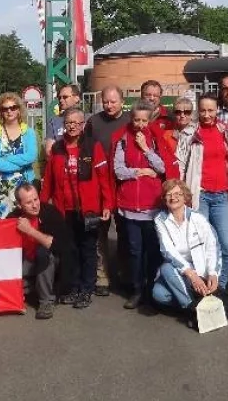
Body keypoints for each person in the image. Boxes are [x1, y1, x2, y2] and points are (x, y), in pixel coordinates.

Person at [40, 108, 114, 308]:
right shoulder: (57, 148)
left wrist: (107, 204)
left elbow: (104, 179)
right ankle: (72, 287)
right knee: (69, 251)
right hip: (65, 210)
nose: (72, 126)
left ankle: (86, 289)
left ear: (83, 126)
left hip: (88, 210)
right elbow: (48, 180)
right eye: (69, 122)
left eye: (77, 123)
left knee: (87, 250)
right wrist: (43, 204)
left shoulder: (93, 147)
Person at [112, 100, 179, 310]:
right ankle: (136, 289)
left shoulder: (155, 139)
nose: (140, 124)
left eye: (144, 120)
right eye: (136, 120)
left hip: (152, 206)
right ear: (131, 119)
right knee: (134, 250)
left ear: (149, 121)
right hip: (130, 206)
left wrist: (145, 148)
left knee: (153, 250)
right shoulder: (123, 138)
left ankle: (153, 288)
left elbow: (162, 167)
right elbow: (119, 170)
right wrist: (139, 172)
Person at [176, 93, 228, 288]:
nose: (207, 114)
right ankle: (201, 290)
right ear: (198, 111)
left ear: (217, 110)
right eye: (203, 110)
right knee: (200, 247)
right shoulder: (190, 133)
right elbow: (180, 164)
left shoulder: (225, 131)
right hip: (199, 196)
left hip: (221, 196)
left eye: (211, 110)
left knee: (227, 247)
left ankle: (220, 288)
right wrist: (182, 194)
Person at [84, 84, 130, 296]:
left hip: (124, 184)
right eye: (106, 101)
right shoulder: (94, 122)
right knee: (99, 231)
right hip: (100, 183)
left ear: (122, 101)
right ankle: (102, 275)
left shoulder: (130, 121)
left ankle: (123, 273)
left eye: (113, 101)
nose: (109, 105)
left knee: (125, 232)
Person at [153, 179, 220, 312]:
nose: (173, 198)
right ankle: (193, 308)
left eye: (178, 194)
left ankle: (192, 305)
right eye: (169, 194)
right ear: (164, 198)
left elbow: (213, 246)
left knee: (166, 269)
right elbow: (168, 251)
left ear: (185, 197)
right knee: (159, 294)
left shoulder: (198, 218)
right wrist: (191, 275)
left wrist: (213, 273)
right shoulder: (160, 220)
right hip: (178, 271)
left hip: (200, 271)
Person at [12, 183, 76, 320]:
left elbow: (59, 246)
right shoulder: (13, 217)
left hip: (52, 262)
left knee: (43, 252)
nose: (35, 205)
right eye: (29, 202)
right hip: (26, 262)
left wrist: (30, 231)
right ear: (19, 205)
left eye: (36, 199)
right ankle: (28, 289)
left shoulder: (51, 212)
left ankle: (46, 302)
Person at [0, 92, 38, 219]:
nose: (9, 111)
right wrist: (19, 164)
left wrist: (6, 158)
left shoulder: (29, 132)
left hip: (23, 189)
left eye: (13, 107)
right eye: (5, 109)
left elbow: (30, 157)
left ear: (19, 110)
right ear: (1, 112)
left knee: (22, 224)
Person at [44, 84, 82, 158]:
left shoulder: (88, 120)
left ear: (76, 98)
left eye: (65, 97)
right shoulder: (54, 121)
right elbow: (49, 151)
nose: (61, 100)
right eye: (59, 98)